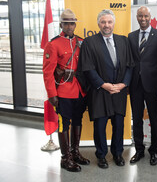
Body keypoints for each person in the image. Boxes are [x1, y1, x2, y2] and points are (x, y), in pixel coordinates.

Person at [78, 9, 134, 169]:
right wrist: (104, 85)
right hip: (100, 91)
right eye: (103, 22)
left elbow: (130, 66)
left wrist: (124, 84)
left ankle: (117, 154)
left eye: (109, 22)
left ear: (113, 23)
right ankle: (101, 155)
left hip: (119, 91)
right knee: (100, 126)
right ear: (98, 24)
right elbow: (88, 68)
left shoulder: (123, 41)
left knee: (119, 124)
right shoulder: (89, 42)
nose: (106, 25)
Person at [43, 9, 90, 172]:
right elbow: (48, 72)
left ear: (75, 24)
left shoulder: (81, 41)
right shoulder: (53, 44)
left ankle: (75, 152)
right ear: (61, 24)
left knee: (78, 120)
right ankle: (65, 158)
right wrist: (52, 95)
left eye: (72, 23)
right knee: (64, 124)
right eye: (66, 23)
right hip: (63, 91)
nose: (70, 26)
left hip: (79, 90)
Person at [128, 6, 157, 165]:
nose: (143, 19)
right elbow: (129, 62)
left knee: (154, 119)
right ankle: (139, 150)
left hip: (153, 86)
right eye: (140, 16)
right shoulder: (131, 36)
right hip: (135, 85)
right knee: (136, 119)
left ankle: (154, 151)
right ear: (137, 17)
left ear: (150, 17)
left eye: (145, 16)